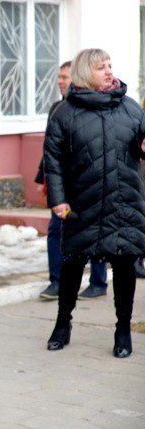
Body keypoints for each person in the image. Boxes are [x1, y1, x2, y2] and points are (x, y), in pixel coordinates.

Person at [43, 48, 145, 358]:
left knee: (124, 265)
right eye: (101, 67)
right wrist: (58, 200)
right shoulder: (64, 113)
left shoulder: (130, 108)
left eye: (110, 65)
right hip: (82, 203)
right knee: (73, 263)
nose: (109, 71)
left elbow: (140, 145)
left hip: (124, 201)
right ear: (85, 73)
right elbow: (53, 161)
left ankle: (123, 329)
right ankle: (63, 323)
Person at [36, 61, 108, 300]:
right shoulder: (57, 109)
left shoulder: (95, 107)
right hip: (64, 185)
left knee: (94, 231)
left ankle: (98, 282)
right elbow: (51, 149)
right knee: (57, 230)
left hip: (91, 182)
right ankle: (57, 282)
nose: (60, 81)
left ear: (77, 79)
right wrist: (43, 178)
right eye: (58, 77)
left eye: (65, 77)